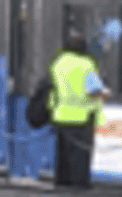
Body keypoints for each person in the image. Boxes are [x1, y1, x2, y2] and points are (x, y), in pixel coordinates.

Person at [48, 31, 108, 187]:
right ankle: (79, 188)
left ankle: (62, 185)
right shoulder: (87, 64)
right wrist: (106, 93)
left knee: (63, 157)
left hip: (61, 116)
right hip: (82, 118)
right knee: (80, 157)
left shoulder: (58, 63)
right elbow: (94, 90)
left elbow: (53, 89)